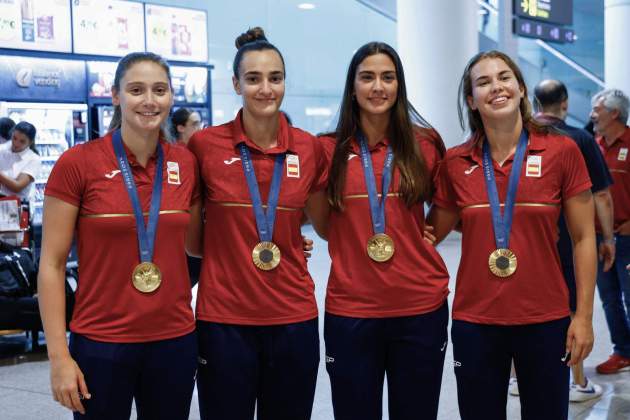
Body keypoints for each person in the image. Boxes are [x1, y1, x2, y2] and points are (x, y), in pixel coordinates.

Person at [427, 50, 597, 420]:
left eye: (504, 78)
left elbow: (585, 239)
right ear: (471, 100)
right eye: (483, 82)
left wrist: (583, 317)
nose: (496, 87)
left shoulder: (561, 151)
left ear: (521, 89)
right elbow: (425, 236)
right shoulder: (456, 163)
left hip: (546, 317)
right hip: (476, 321)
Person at [38, 52, 200, 420]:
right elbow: (51, 263)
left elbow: (203, 240)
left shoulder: (185, 163)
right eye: (136, 90)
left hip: (174, 338)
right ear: (115, 96)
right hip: (101, 341)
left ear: (171, 96)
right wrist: (59, 357)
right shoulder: (78, 163)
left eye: (159, 90)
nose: (149, 100)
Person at [186, 27, 328, 420]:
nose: (266, 89)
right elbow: (193, 243)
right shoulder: (205, 146)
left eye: (275, 78)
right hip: (224, 320)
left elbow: (327, 224)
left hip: (293, 316)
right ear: (236, 84)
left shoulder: (308, 147)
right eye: (253, 79)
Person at [320, 42, 449, 420]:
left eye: (388, 78)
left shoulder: (425, 143)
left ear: (399, 85)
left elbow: (448, 201)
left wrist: (425, 237)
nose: (378, 87)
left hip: (419, 307)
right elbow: (325, 221)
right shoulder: (327, 149)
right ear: (352, 86)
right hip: (351, 309)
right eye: (368, 77)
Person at [589, 88, 630, 374]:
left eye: (597, 109)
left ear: (614, 113)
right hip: (600, 238)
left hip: (628, 236)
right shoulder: (594, 145)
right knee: (609, 298)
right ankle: (623, 351)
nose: (592, 114)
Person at [0, 121, 41, 200]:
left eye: (22, 141)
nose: (16, 143)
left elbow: (17, 186)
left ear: (30, 142)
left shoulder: (34, 159)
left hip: (17, 206)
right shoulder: (2, 149)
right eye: (14, 138)